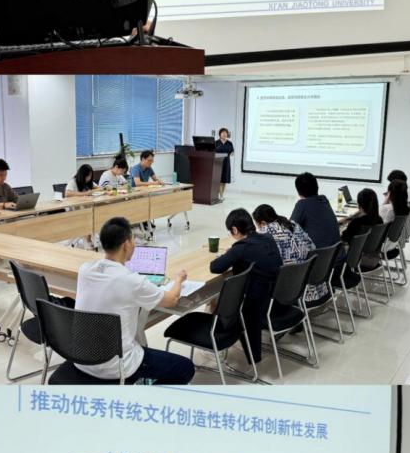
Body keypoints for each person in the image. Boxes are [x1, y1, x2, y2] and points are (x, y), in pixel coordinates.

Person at [75, 216, 194, 383]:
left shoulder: (85, 270)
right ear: (126, 244)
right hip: (116, 365)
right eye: (133, 240)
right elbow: (171, 300)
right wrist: (179, 279)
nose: (135, 244)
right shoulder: (131, 280)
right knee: (185, 368)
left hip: (80, 358)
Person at [209, 208, 282, 364]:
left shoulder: (241, 247)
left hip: (255, 307)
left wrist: (229, 254)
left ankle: (217, 341)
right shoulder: (268, 239)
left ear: (235, 229)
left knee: (214, 301)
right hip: (276, 300)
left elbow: (215, 267)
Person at [252, 203, 328, 304]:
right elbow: (312, 246)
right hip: (314, 286)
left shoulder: (266, 231)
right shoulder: (292, 224)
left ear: (263, 223)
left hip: (294, 293)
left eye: (257, 225)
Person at [291, 172, 341, 249]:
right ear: (317, 187)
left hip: (320, 255)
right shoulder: (324, 199)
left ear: (298, 191)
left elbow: (289, 229)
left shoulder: (303, 204)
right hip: (336, 252)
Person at [65, 164, 98, 249]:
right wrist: (84, 193)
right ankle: (87, 238)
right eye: (87, 176)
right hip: (74, 210)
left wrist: (100, 189)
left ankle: (88, 237)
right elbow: (67, 193)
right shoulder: (73, 181)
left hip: (85, 208)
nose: (89, 178)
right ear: (82, 175)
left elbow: (97, 187)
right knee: (88, 217)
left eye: (90, 176)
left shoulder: (88, 182)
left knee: (93, 214)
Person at [380, 178, 410, 251]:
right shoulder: (406, 207)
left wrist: (385, 202)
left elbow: (377, 227)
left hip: (380, 245)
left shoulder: (387, 209)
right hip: (394, 243)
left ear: (390, 193)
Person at [214, 128, 234, 200]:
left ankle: (221, 195)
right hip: (218, 162)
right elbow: (213, 152)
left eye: (226, 133)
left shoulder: (229, 143)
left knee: (224, 179)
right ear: (220, 134)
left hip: (226, 162)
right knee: (219, 179)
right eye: (223, 133)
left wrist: (231, 153)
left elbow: (232, 152)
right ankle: (221, 195)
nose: (224, 134)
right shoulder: (216, 142)